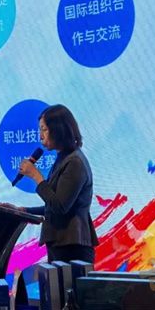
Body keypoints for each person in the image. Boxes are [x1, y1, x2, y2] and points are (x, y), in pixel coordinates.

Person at [10, 104, 98, 263]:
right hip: (62, 244)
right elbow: (54, 206)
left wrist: (36, 175)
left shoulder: (74, 162)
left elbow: (60, 206)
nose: (40, 136)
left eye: (44, 129)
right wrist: (23, 211)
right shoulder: (63, 158)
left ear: (59, 130)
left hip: (72, 248)